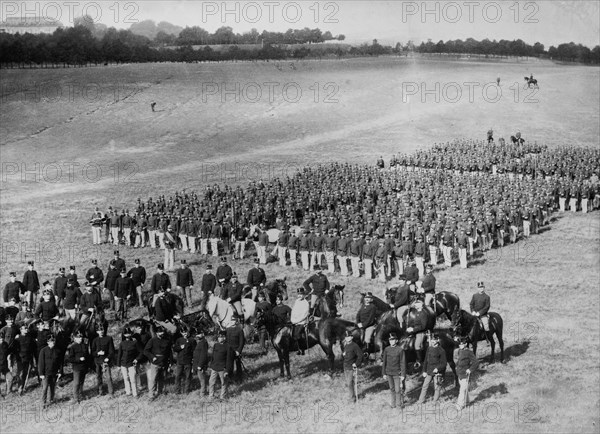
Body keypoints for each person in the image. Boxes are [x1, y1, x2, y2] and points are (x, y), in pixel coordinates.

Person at [417, 334, 447, 405]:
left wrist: (438, 368)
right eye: (432, 340)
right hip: (429, 371)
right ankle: (421, 400)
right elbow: (426, 361)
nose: (433, 342)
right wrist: (424, 371)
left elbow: (444, 363)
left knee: (437, 387)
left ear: (438, 340)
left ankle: (435, 401)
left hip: (437, 372)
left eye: (434, 340)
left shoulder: (441, 350)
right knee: (425, 386)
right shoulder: (429, 348)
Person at [144, 327, 172, 401]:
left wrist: (170, 363)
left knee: (162, 378)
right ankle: (151, 395)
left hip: (164, 362)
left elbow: (169, 353)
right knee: (153, 379)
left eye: (162, 332)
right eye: (160, 332)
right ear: (156, 333)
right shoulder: (152, 340)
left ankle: (160, 392)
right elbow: (146, 351)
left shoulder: (167, 341)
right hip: (155, 363)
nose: (161, 334)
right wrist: (152, 357)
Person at [382, 332, 407, 408]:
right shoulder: (386, 349)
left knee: (397, 390)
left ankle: (399, 405)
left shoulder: (400, 350)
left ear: (396, 340)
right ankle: (393, 405)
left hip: (397, 373)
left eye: (393, 340)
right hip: (389, 372)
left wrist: (403, 374)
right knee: (392, 389)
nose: (391, 341)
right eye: (390, 340)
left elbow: (403, 363)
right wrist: (384, 373)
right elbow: (384, 362)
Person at [209, 331, 234, 400]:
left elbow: (229, 360)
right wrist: (211, 365)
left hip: (223, 368)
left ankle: (223, 397)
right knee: (211, 382)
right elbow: (213, 356)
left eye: (221, 337)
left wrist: (227, 370)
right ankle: (211, 396)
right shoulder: (216, 345)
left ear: (224, 337)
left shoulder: (228, 346)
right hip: (214, 367)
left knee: (224, 383)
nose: (219, 338)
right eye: (219, 337)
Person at [91, 324, 115, 396]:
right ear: (97, 331)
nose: (101, 331)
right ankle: (100, 392)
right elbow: (92, 352)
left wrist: (108, 358)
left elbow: (112, 351)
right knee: (99, 377)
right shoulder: (95, 340)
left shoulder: (109, 338)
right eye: (99, 330)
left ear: (104, 330)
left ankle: (111, 392)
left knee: (108, 377)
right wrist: (97, 353)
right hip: (97, 361)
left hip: (106, 361)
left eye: (102, 330)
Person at [456, 336, 479, 410]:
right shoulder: (459, 351)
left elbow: (476, 362)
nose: (460, 346)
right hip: (459, 373)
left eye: (462, 344)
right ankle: (467, 402)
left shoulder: (469, 352)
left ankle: (459, 405)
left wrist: (470, 369)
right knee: (463, 389)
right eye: (459, 344)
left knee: (462, 390)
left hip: (465, 374)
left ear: (465, 344)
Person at [117, 327, 141, 398]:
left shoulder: (135, 342)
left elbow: (141, 352)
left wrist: (137, 359)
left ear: (131, 334)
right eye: (126, 334)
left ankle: (135, 393)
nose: (127, 335)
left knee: (133, 379)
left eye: (129, 333)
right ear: (124, 335)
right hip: (123, 364)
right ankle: (128, 392)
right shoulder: (122, 343)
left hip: (131, 364)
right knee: (126, 378)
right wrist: (118, 365)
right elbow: (119, 355)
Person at [37, 334, 61, 407]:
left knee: (53, 387)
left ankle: (51, 400)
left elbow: (59, 362)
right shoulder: (43, 351)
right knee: (45, 388)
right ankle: (43, 403)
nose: (52, 343)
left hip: (54, 373)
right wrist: (41, 374)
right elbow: (40, 363)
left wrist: (59, 372)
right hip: (46, 373)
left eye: (53, 341)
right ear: (48, 342)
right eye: (50, 341)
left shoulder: (58, 351)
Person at [67, 331, 89, 404]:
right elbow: (70, 359)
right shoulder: (72, 347)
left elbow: (87, 355)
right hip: (76, 367)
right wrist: (79, 359)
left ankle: (80, 395)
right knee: (76, 383)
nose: (80, 339)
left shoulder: (85, 345)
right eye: (78, 337)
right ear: (75, 339)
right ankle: (76, 398)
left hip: (84, 367)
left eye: (81, 337)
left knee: (81, 382)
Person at [342, 330, 363, 403]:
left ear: (352, 337)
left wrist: (356, 364)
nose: (348, 338)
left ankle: (352, 399)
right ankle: (351, 396)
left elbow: (360, 356)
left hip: (351, 368)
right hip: (345, 367)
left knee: (350, 383)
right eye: (346, 337)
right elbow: (345, 355)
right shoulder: (345, 345)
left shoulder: (355, 346)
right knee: (348, 383)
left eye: (349, 336)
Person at [406, 300, 429, 369]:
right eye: (415, 304)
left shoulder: (423, 313)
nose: (415, 305)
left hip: (421, 332)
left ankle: (419, 362)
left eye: (417, 304)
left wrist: (413, 329)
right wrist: (411, 328)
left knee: (417, 346)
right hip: (415, 332)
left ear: (421, 305)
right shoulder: (417, 313)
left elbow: (423, 326)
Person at [174, 328, 196, 394]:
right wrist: (180, 347)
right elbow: (175, 348)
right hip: (180, 361)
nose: (185, 334)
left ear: (188, 332)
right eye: (183, 332)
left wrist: (193, 360)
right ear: (181, 333)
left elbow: (194, 351)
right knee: (178, 376)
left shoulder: (192, 340)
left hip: (188, 361)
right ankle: (177, 391)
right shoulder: (179, 340)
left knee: (188, 376)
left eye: (186, 332)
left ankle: (187, 390)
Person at [17, 323, 36, 395]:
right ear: (21, 330)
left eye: (26, 328)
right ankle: (19, 387)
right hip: (20, 358)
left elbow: (33, 348)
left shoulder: (30, 338)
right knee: (20, 373)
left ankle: (23, 387)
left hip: (28, 358)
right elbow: (15, 349)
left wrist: (33, 358)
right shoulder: (18, 339)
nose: (26, 330)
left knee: (26, 373)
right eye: (24, 328)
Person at [225, 314, 245, 381]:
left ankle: (239, 378)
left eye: (234, 320)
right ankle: (230, 378)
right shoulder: (228, 330)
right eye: (231, 320)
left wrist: (238, 351)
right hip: (229, 350)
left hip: (236, 350)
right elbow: (226, 340)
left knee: (238, 364)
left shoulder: (239, 330)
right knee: (229, 365)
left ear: (236, 321)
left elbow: (242, 342)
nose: (232, 321)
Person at [290, 288, 310, 355]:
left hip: (302, 321)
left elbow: (305, 314)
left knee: (297, 334)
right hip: (294, 320)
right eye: (299, 294)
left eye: (301, 294)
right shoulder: (296, 301)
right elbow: (293, 311)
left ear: (304, 295)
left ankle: (301, 349)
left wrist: (297, 321)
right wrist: (292, 319)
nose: (300, 296)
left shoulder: (305, 303)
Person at [192, 329, 209, 397]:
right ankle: (202, 392)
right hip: (197, 364)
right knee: (201, 379)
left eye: (199, 334)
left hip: (200, 365)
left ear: (203, 334)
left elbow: (203, 355)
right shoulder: (200, 342)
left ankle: (203, 394)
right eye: (197, 334)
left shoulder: (204, 342)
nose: (197, 335)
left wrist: (200, 365)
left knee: (202, 379)